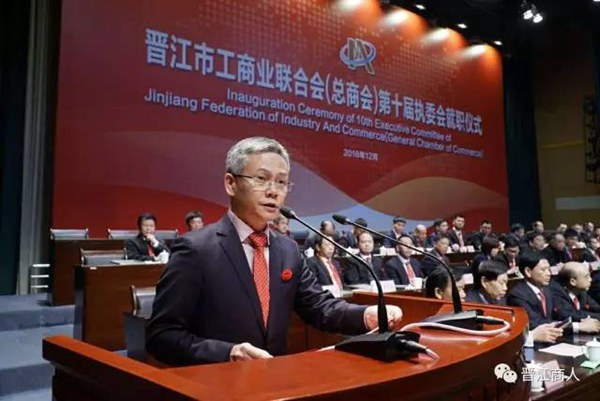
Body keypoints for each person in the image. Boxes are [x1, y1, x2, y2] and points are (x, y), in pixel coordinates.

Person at [146, 137, 402, 366]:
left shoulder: (287, 250)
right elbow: (161, 335)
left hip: (275, 383)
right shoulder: (196, 250)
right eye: (261, 179)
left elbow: (320, 307)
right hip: (217, 387)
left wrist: (366, 315)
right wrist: (228, 353)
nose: (273, 191)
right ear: (231, 183)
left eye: (281, 182)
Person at [507, 253, 564, 343]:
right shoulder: (518, 294)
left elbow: (560, 311)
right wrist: (561, 324)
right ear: (528, 272)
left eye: (549, 269)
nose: (548, 274)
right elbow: (533, 322)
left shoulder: (548, 290)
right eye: (543, 270)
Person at [549, 262, 600, 333]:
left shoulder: (581, 291)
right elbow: (571, 314)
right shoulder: (556, 293)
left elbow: (596, 307)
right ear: (573, 281)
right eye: (586, 277)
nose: (590, 279)